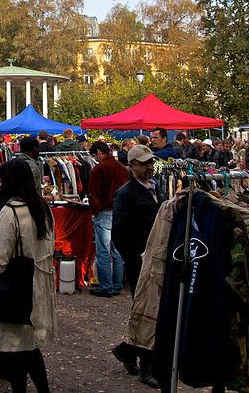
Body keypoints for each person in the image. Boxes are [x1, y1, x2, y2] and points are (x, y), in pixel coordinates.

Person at [0, 158, 57, 393]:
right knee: (28, 346)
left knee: (15, 349)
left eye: (1, 179)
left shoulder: (10, 212)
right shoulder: (42, 208)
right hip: (37, 283)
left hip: (15, 288)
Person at [110, 144, 164, 387]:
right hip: (139, 258)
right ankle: (146, 366)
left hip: (156, 255)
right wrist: (134, 256)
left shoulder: (156, 187)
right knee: (147, 311)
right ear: (131, 166)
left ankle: (127, 350)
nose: (149, 167)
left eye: (150, 162)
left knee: (152, 310)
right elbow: (119, 232)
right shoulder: (125, 193)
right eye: (143, 163)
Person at [86, 140, 129, 298]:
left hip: (105, 211)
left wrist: (95, 209)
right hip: (119, 212)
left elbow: (93, 192)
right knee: (117, 251)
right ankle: (117, 284)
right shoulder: (121, 168)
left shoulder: (100, 168)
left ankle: (106, 286)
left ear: (98, 152)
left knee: (103, 251)